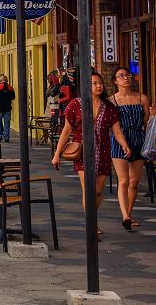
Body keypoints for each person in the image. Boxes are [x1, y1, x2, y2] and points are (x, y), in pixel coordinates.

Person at [54, 71, 133, 239]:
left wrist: (125, 145)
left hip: (103, 152)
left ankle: (92, 218)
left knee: (98, 192)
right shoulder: (75, 104)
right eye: (94, 83)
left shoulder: (109, 107)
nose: (98, 86)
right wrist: (57, 154)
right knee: (89, 190)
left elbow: (116, 131)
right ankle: (92, 225)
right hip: (82, 152)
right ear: (86, 86)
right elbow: (66, 130)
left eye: (100, 83)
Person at [109, 68, 148, 230]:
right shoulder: (111, 101)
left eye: (127, 75)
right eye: (121, 76)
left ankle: (129, 215)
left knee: (134, 181)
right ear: (115, 81)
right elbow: (111, 125)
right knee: (123, 180)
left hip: (138, 138)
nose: (126, 78)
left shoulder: (141, 98)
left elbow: (146, 121)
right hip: (120, 140)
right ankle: (125, 215)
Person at [0, 74, 15, 142]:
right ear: (7, 80)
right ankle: (6, 137)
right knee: (7, 123)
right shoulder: (10, 87)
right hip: (7, 107)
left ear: (1, 81)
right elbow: (13, 98)